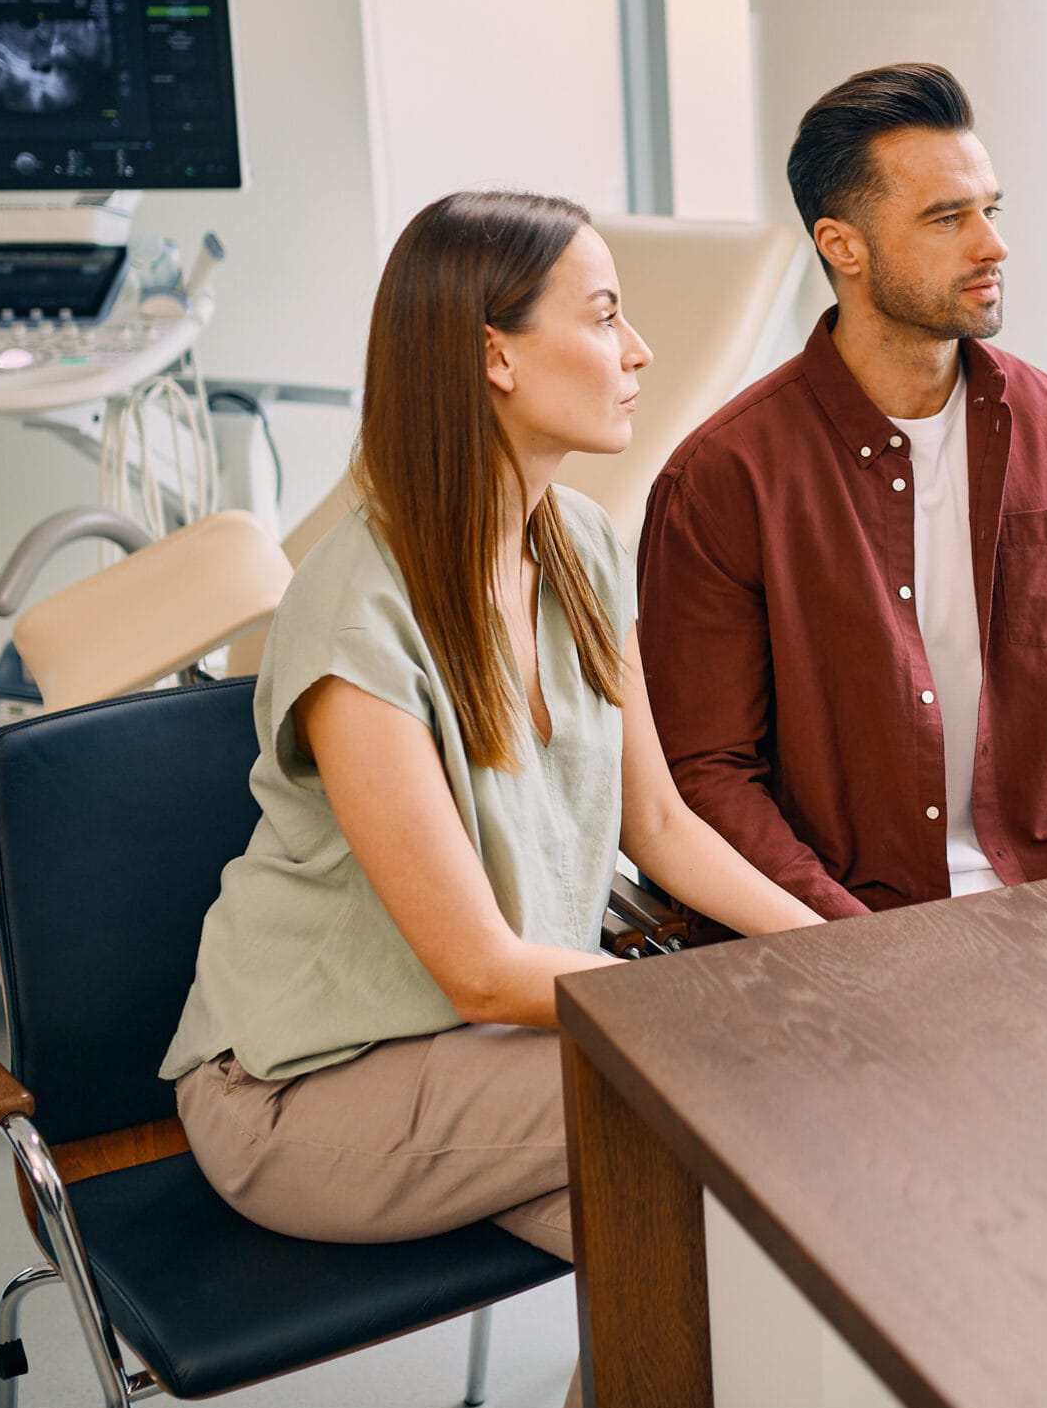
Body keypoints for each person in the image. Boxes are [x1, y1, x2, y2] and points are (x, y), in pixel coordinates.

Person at [162, 193, 821, 1315]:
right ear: (493, 358)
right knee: (747, 1109)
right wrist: (721, 1011)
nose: (639, 351)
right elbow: (474, 963)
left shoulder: (582, 546)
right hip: (308, 1090)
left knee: (730, 1281)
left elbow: (654, 826)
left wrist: (840, 957)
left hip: (498, 1054)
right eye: (606, 315)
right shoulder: (357, 610)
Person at [638, 62, 1047, 932]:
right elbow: (706, 771)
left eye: (990, 210)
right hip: (844, 933)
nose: (992, 245)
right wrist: (854, 945)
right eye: (948, 218)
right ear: (843, 246)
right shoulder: (723, 479)